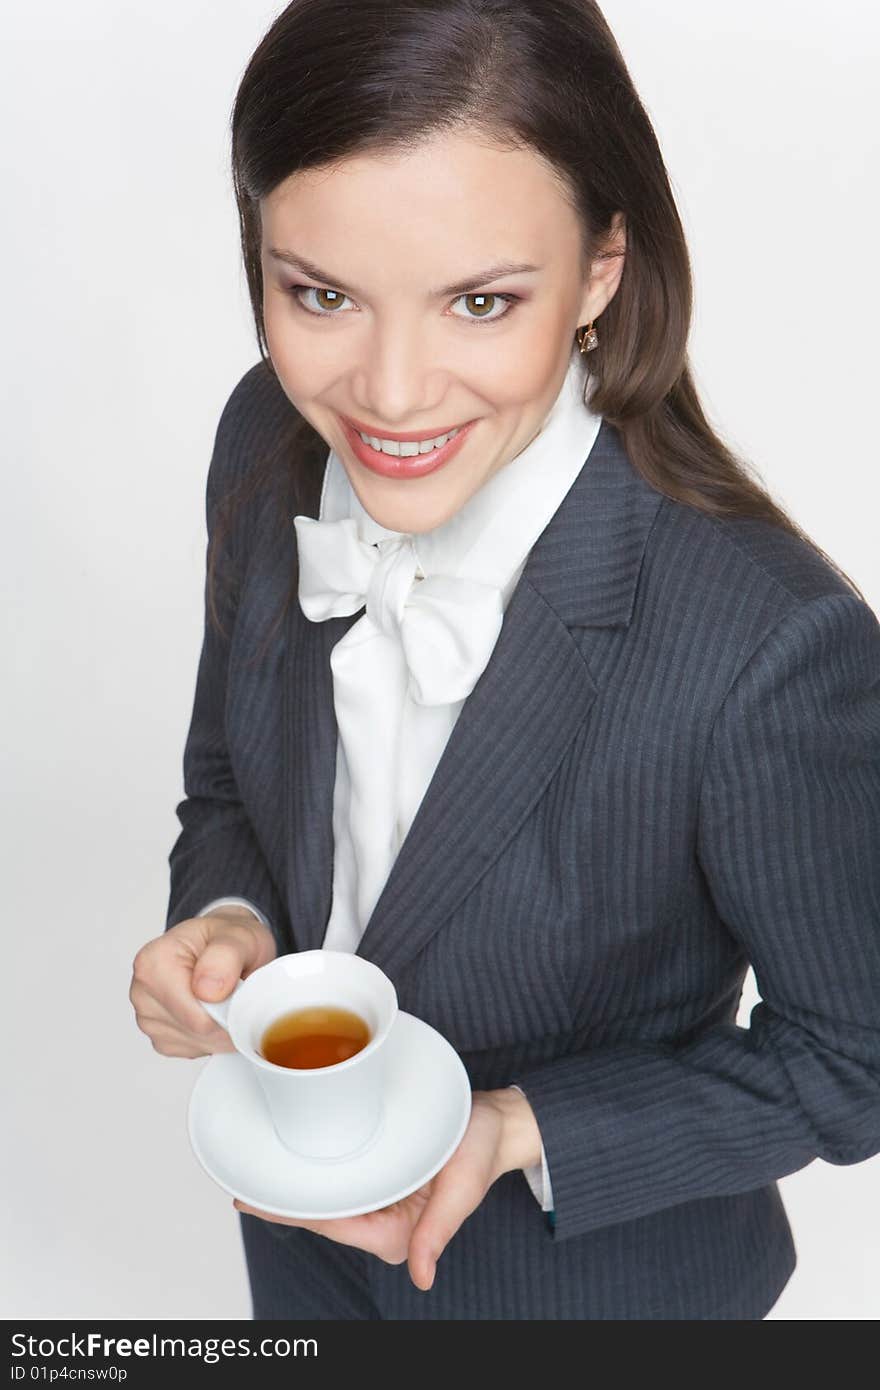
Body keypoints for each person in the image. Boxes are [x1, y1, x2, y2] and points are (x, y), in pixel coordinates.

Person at [128, 0, 880, 1320]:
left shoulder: (772, 645)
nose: (394, 392)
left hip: (595, 1298)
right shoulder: (262, 439)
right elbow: (228, 783)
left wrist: (520, 1126)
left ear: (601, 267)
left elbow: (858, 1056)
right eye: (322, 294)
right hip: (298, 1257)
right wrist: (232, 922)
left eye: (481, 300)